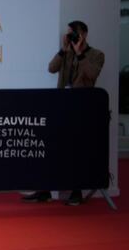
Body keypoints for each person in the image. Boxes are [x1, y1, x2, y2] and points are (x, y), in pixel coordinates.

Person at [22, 20, 105, 206]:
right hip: (61, 105)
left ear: (84, 34)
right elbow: (51, 68)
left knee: (76, 151)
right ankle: (44, 190)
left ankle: (76, 192)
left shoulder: (97, 55)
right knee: (50, 147)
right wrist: (64, 50)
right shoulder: (66, 54)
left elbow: (91, 75)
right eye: (69, 33)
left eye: (74, 33)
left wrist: (79, 53)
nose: (71, 36)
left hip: (82, 108)